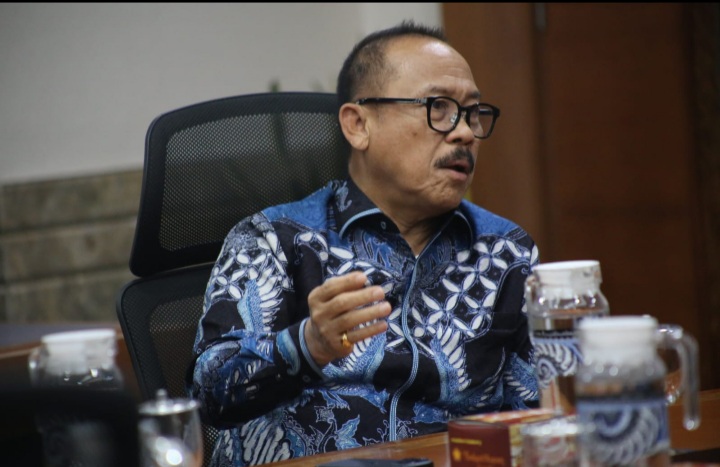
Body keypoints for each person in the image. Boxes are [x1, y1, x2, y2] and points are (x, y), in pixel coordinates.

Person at [189, 20, 539, 467]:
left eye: (472, 113)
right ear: (358, 125)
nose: (466, 133)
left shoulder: (506, 252)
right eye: (439, 107)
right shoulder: (274, 240)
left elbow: (540, 412)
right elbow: (207, 396)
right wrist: (307, 346)